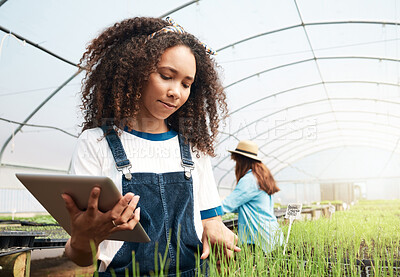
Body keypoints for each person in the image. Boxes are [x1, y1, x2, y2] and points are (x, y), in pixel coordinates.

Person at [61, 17, 240, 276]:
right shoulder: (96, 143)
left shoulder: (192, 149)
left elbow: (210, 219)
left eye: (186, 84)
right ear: (137, 70)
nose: (175, 91)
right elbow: (79, 255)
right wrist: (84, 238)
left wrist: (216, 228)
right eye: (166, 76)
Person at [222, 140, 283, 253]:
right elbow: (243, 205)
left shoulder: (249, 180)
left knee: (254, 269)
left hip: (258, 239)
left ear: (241, 160)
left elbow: (226, 206)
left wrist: (205, 212)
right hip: (271, 235)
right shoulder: (259, 176)